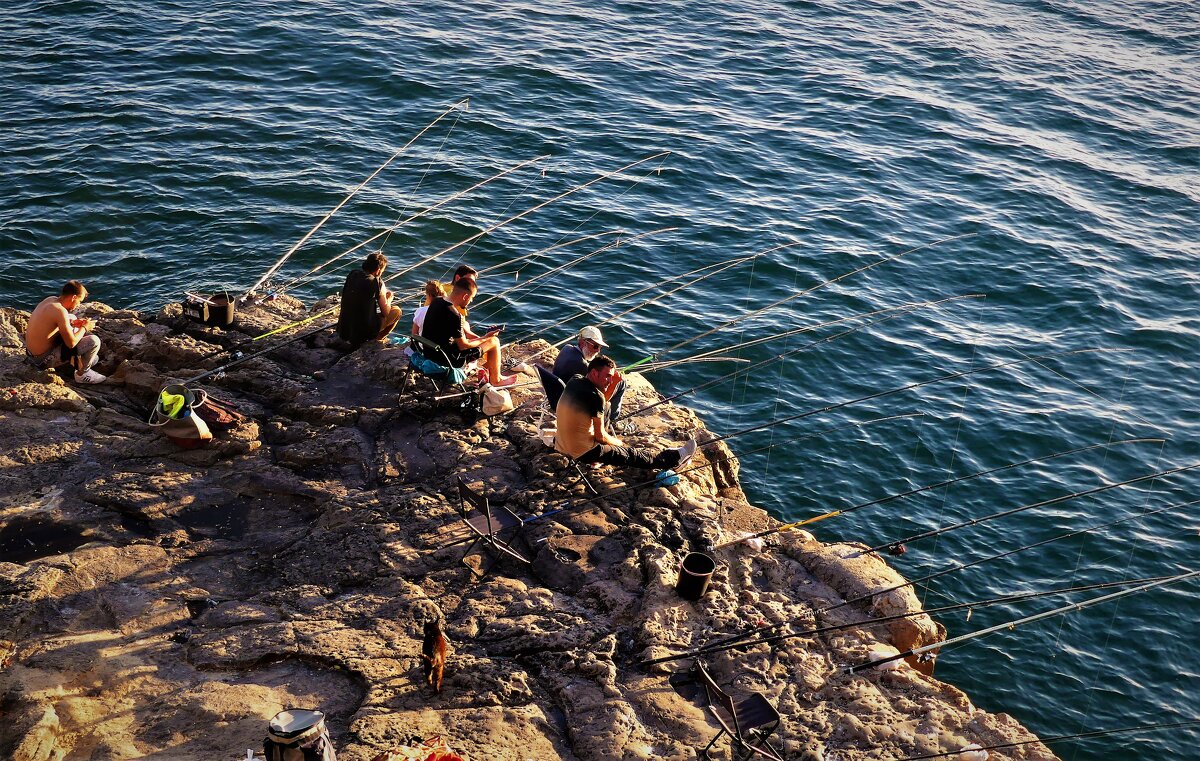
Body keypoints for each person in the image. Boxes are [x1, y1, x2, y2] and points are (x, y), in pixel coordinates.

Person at [555, 355, 695, 470]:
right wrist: (618, 443)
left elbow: (602, 404)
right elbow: (601, 437)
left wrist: (610, 383)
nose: (610, 381)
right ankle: (673, 461)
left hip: (561, 443)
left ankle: (599, 458)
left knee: (607, 412)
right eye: (607, 376)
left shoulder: (575, 380)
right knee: (631, 454)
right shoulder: (595, 396)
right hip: (582, 451)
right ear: (593, 373)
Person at [420, 277, 517, 387]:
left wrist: (478, 338)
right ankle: (496, 380)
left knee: (479, 341)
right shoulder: (455, 315)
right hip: (447, 360)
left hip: (430, 353)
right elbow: (463, 346)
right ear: (465, 296)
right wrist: (485, 337)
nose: (471, 301)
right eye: (471, 298)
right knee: (494, 341)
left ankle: (487, 373)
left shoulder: (437, 301)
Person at [24, 280, 107, 384]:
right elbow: (71, 343)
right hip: (42, 361)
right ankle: (82, 374)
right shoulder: (60, 312)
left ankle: (76, 363)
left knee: (71, 317)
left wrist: (72, 322)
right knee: (93, 341)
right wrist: (85, 327)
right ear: (73, 298)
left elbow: (52, 322)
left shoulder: (50, 300)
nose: (78, 305)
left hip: (31, 355)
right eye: (79, 301)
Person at [552, 325, 628, 428]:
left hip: (557, 398)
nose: (598, 351)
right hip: (572, 405)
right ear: (583, 342)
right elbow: (598, 392)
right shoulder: (582, 365)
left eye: (600, 347)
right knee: (621, 383)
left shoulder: (567, 348)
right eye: (595, 346)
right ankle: (612, 421)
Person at [336, 252, 402, 346]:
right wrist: (389, 299)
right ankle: (377, 340)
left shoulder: (353, 274)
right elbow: (386, 312)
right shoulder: (377, 282)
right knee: (397, 311)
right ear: (378, 270)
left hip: (343, 330)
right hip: (363, 334)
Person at [407, 279, 447, 356]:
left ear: (428, 295)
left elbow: (414, 335)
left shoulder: (421, 311)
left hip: (425, 349)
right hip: (441, 351)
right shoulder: (450, 312)